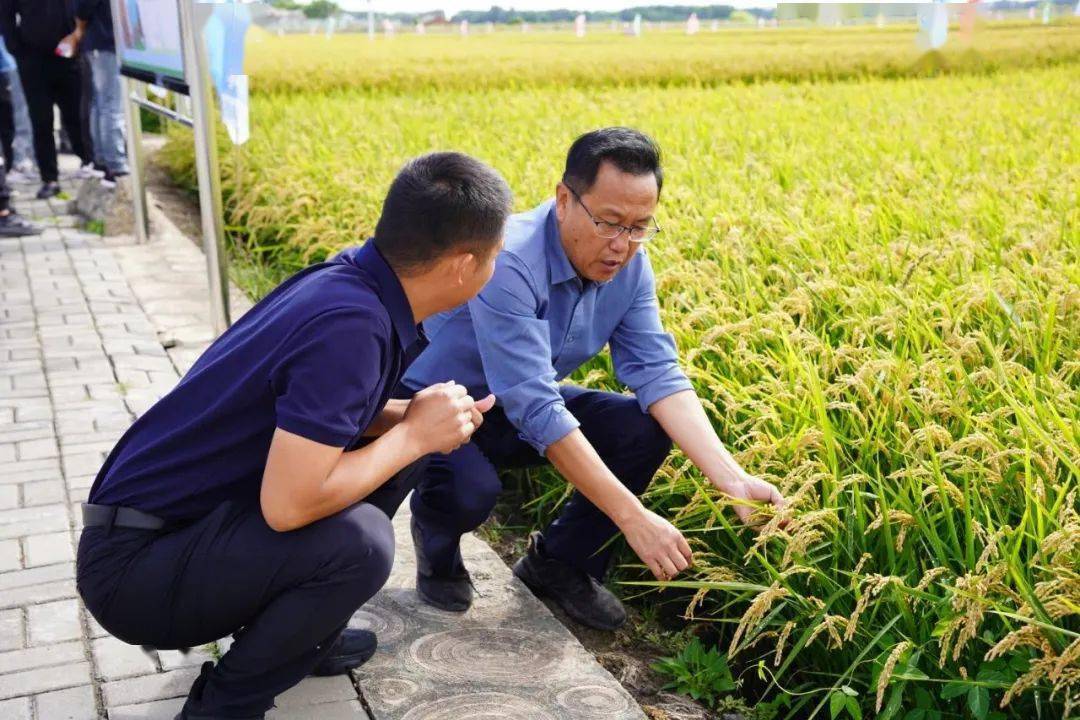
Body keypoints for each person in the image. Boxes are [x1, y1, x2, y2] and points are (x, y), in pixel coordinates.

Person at [76, 152, 512, 720]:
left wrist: (416, 419)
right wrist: (412, 437)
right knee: (362, 543)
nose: (495, 268)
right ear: (462, 265)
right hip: (136, 573)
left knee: (406, 440)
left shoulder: (351, 284)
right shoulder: (352, 327)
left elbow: (312, 421)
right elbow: (289, 507)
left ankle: (302, 636)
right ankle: (222, 710)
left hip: (166, 535)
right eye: (495, 256)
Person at [400, 128, 787, 630]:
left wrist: (732, 479)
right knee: (468, 489)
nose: (622, 245)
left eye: (640, 227)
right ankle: (436, 543)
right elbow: (535, 404)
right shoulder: (511, 259)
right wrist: (633, 518)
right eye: (609, 222)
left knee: (642, 427)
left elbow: (657, 370)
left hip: (514, 402)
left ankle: (558, 564)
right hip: (434, 406)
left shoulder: (630, 262)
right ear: (564, 199)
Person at [0, 0, 93, 199]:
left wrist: (78, 39)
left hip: (69, 54)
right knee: (41, 121)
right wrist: (17, 49)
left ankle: (89, 161)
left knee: (76, 115)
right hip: (32, 60)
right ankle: (49, 178)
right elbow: (5, 15)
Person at [68, 0, 129, 186]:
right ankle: (115, 165)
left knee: (100, 104)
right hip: (104, 43)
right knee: (110, 106)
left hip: (98, 42)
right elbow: (82, 8)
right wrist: (79, 29)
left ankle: (102, 161)